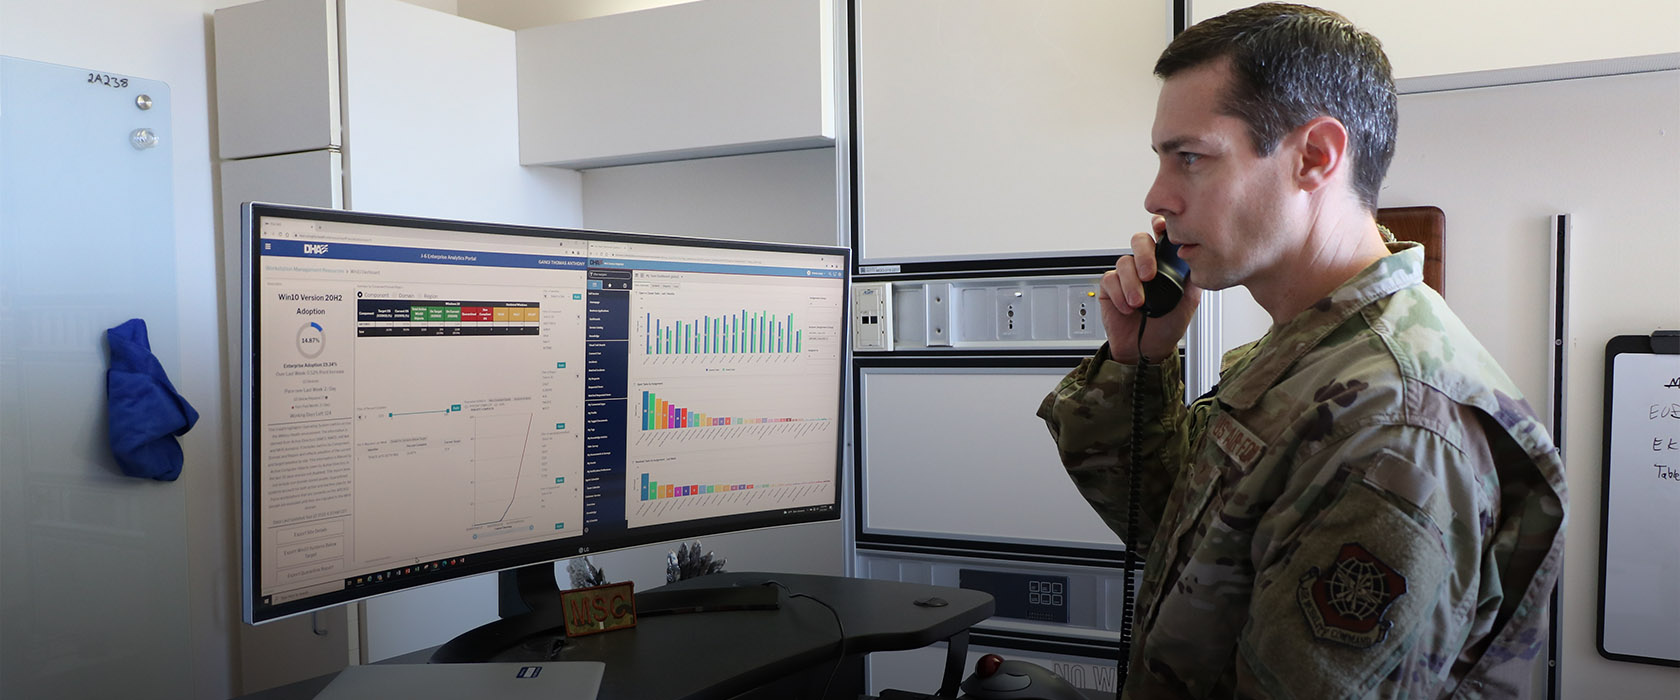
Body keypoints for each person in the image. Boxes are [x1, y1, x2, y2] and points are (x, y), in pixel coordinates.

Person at [1036, 4, 1567, 698]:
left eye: (1190, 158)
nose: (1157, 197)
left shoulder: (1393, 424)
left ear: (1315, 156)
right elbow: (1180, 539)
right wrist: (1142, 363)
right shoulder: (1307, 356)